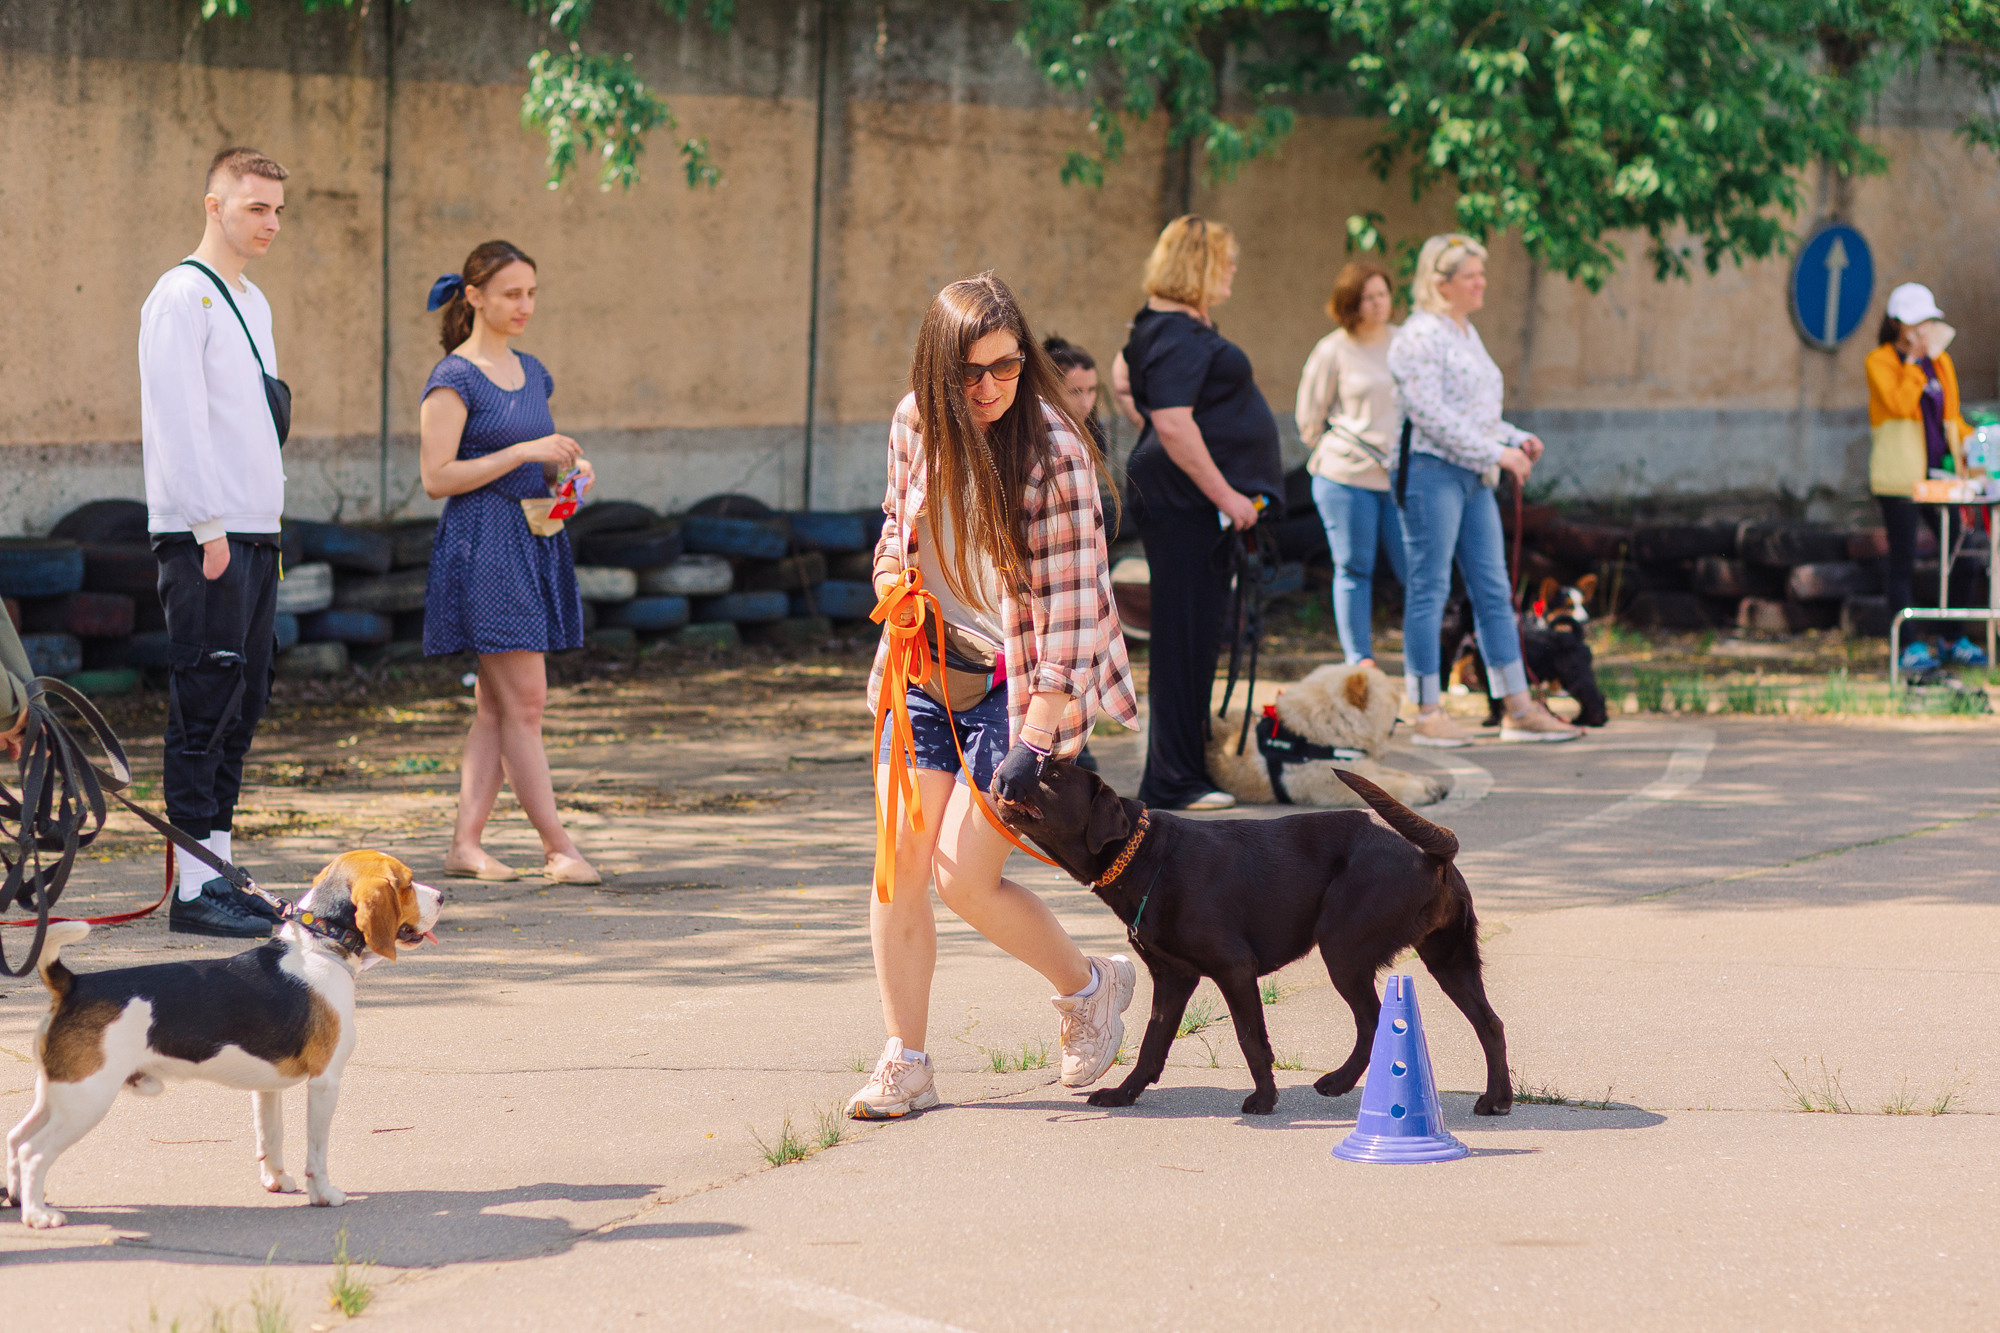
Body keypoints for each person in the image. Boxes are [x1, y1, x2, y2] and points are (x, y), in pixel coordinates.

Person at [849, 274, 1140, 1120]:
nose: (988, 389)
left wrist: (1039, 734)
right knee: (899, 867)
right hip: (924, 670)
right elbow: (891, 527)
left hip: (1020, 684)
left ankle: (1090, 987)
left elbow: (1077, 602)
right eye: (969, 373)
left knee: (962, 879)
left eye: (1006, 368)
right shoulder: (914, 422)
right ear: (936, 370)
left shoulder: (1053, 452)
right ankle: (908, 1059)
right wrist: (888, 572)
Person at [138, 147, 293, 937]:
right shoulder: (179, 296)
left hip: (257, 533)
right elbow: (178, 422)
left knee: (244, 699)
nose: (268, 222)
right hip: (209, 534)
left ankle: (220, 871)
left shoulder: (252, 301)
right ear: (213, 204)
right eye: (253, 206)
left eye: (275, 209)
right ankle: (194, 889)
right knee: (204, 697)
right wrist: (206, 527)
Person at [418, 240, 600, 886]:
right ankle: (559, 846)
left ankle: (466, 843)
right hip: (481, 544)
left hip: (532, 536)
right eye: (511, 294)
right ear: (474, 298)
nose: (524, 306)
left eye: (531, 293)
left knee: (499, 709)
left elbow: (534, 458)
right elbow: (436, 477)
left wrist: (567, 470)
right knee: (526, 700)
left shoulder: (534, 371)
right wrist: (525, 449)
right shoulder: (453, 379)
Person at [1112, 215, 1284, 811]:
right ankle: (1171, 780)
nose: (1233, 269)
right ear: (1198, 264)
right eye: (1224, 260)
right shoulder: (1175, 331)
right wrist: (1227, 496)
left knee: (1195, 636)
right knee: (1184, 637)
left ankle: (1181, 772)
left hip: (1186, 504)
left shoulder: (1164, 326)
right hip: (1188, 507)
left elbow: (1124, 379)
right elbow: (1173, 420)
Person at [1388, 234, 1577, 746]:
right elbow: (1430, 413)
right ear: (1440, 282)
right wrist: (1498, 452)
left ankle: (1516, 705)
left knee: (1495, 589)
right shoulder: (1417, 336)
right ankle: (1427, 709)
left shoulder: (1465, 332)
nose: (1482, 283)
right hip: (1431, 471)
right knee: (1431, 589)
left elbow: (1476, 417)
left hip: (1473, 473)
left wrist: (1514, 438)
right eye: (1472, 275)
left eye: (1481, 274)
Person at [1297, 259, 1407, 668]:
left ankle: (1425, 661)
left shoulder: (1405, 342)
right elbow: (1309, 419)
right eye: (1367, 298)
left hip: (1400, 477)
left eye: (1382, 294)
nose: (1377, 304)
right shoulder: (1333, 349)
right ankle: (1359, 660)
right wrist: (1342, 449)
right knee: (1354, 567)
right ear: (1350, 303)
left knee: (1415, 571)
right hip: (1346, 476)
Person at [1866, 282, 1980, 668]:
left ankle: (1952, 638)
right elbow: (1898, 404)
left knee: (1963, 554)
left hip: (1940, 478)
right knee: (1904, 561)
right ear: (1899, 324)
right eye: (1917, 323)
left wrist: (1975, 444)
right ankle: (1907, 646)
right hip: (1899, 481)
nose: (1925, 329)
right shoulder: (1881, 361)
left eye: (1928, 321)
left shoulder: (1941, 362)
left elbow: (1951, 416)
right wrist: (1913, 362)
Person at [1043, 335, 1108, 454]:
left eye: (1091, 390)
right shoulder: (1038, 436)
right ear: (1050, 390)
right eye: (1075, 392)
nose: (1086, 404)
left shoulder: (1095, 431)